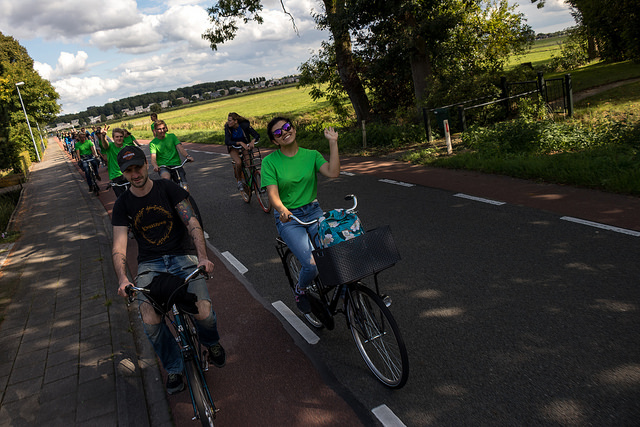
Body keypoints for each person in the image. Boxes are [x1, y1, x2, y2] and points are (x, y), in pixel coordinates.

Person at [111, 145, 225, 395]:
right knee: (150, 321)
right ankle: (174, 366)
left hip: (182, 256)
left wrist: (203, 258)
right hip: (150, 264)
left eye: (138, 167)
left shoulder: (167, 188)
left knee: (204, 313)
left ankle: (211, 342)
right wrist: (122, 278)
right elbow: (119, 246)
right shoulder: (122, 205)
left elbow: (191, 222)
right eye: (128, 171)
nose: (135, 174)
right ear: (123, 173)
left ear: (145, 165)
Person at [261, 117, 340, 313]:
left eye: (287, 127)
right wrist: (282, 210)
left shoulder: (311, 155)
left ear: (294, 129)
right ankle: (301, 289)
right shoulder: (270, 162)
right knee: (311, 265)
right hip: (290, 219)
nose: (284, 132)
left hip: (313, 211)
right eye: (278, 132)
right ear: (274, 141)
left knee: (335, 254)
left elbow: (333, 172)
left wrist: (333, 142)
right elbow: (272, 194)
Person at [149, 120, 193, 186]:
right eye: (159, 129)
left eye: (163, 128)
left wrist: (187, 156)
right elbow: (153, 158)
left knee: (184, 187)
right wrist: (155, 165)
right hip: (163, 166)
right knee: (166, 179)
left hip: (176, 164)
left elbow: (180, 148)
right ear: (155, 130)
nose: (162, 131)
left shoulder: (172, 136)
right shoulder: (153, 143)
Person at [224, 112, 260, 191]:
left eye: (230, 120)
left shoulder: (244, 125)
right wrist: (239, 142)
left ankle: (256, 184)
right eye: (228, 120)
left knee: (249, 163)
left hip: (245, 146)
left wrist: (253, 141)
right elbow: (227, 141)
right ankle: (239, 181)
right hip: (233, 147)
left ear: (235, 121)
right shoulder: (228, 127)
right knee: (238, 162)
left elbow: (256, 135)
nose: (228, 122)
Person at [99, 127, 129, 198]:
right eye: (117, 137)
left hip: (127, 175)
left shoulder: (126, 148)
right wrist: (103, 136)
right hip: (116, 176)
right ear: (113, 138)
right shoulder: (110, 147)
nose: (119, 138)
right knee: (121, 199)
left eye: (121, 136)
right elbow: (105, 144)